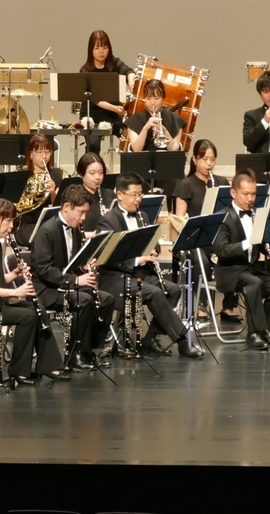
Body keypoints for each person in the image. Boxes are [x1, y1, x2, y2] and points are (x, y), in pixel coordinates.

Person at [0, 198, 66, 385]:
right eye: (7, 221)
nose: (11, 226)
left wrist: (15, 274)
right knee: (27, 317)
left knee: (37, 309)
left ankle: (49, 365)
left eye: (12, 221)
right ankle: (18, 372)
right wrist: (17, 292)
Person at [96, 172, 203, 359]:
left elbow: (155, 242)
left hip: (140, 274)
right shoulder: (107, 221)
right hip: (115, 278)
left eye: (140, 194)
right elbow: (107, 257)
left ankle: (150, 338)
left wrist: (153, 250)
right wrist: (137, 260)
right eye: (134, 195)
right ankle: (182, 339)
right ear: (119, 195)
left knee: (173, 290)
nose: (138, 199)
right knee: (155, 292)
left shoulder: (143, 216)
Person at [30, 184, 114, 371]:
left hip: (65, 285)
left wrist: (84, 267)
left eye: (86, 213)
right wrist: (75, 280)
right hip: (47, 289)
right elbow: (44, 269)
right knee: (84, 301)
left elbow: (72, 262)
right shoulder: (47, 231)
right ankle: (74, 354)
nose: (84, 218)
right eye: (81, 212)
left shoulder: (76, 229)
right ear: (67, 207)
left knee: (107, 300)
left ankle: (90, 350)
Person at [211, 169, 270, 350]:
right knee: (254, 283)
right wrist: (248, 242)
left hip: (253, 267)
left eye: (253, 194)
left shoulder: (257, 215)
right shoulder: (222, 217)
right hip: (230, 270)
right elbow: (222, 250)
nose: (250, 199)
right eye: (245, 194)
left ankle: (263, 330)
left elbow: (267, 248)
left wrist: (267, 240)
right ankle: (253, 333)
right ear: (233, 193)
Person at [171, 140, 239, 324]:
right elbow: (179, 219)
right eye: (204, 159)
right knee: (202, 260)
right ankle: (202, 305)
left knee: (233, 254)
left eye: (212, 159)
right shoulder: (186, 185)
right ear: (194, 159)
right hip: (196, 239)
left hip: (218, 237)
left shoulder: (221, 182)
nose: (209, 163)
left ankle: (228, 306)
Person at [79, 30, 137, 154]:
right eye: (97, 48)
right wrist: (115, 109)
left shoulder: (114, 63)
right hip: (93, 115)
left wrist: (131, 79)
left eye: (104, 47)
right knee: (93, 145)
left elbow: (128, 70)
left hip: (114, 115)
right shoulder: (85, 71)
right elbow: (95, 99)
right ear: (91, 50)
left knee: (133, 138)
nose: (101, 51)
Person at [13, 134, 63, 247]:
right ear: (31, 154)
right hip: (27, 224)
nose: (44, 156)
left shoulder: (56, 175)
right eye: (39, 152)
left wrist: (52, 192)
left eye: (47, 152)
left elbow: (58, 204)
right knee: (43, 238)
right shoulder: (22, 176)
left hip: (49, 222)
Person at [124, 79, 185, 153]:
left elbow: (174, 150)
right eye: (148, 98)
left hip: (166, 159)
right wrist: (145, 128)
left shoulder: (175, 119)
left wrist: (165, 132)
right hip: (143, 159)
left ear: (163, 97)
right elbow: (136, 149)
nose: (152, 103)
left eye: (157, 98)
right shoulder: (134, 120)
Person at [75, 152, 115, 235]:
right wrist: (93, 234)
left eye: (101, 172)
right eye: (92, 173)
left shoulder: (110, 194)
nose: (98, 177)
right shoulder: (75, 197)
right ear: (81, 174)